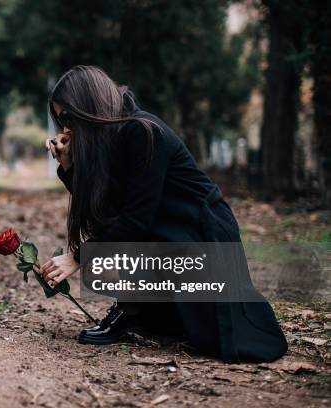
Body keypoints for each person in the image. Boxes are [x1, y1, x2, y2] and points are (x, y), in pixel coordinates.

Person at [40, 65, 287, 363]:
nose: (65, 129)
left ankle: (142, 309)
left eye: (67, 117)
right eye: (60, 120)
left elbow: (135, 220)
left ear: (88, 106)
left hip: (199, 233)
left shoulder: (142, 132)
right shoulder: (115, 136)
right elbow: (104, 205)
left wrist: (78, 257)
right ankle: (136, 310)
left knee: (217, 337)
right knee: (119, 241)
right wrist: (69, 166)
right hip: (166, 232)